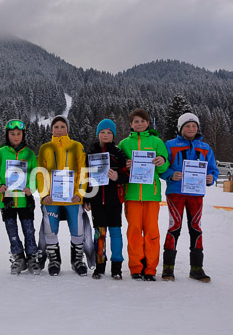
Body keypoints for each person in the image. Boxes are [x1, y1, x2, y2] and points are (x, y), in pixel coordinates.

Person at [159, 113, 218, 282]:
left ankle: (197, 268)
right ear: (180, 128)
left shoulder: (205, 148)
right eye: (187, 126)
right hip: (176, 192)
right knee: (174, 227)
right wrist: (171, 174)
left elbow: (212, 169)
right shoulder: (170, 145)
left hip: (195, 193)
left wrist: (211, 178)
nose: (191, 129)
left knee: (196, 228)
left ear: (198, 128)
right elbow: (161, 167)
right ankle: (168, 268)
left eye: (194, 126)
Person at [118, 108, 169, 281]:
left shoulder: (156, 142)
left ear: (148, 123)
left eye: (142, 121)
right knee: (133, 232)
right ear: (131, 124)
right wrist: (126, 166)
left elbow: (163, 169)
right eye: (135, 121)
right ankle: (136, 267)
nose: (139, 124)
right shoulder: (124, 144)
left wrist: (162, 161)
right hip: (132, 195)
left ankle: (150, 269)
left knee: (151, 233)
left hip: (151, 195)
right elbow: (119, 168)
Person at [37, 115, 88, 276]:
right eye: (56, 127)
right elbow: (40, 174)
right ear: (51, 129)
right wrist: (44, 194)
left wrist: (80, 193)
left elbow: (82, 171)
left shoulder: (77, 146)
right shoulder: (45, 148)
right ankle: (54, 260)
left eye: (62, 126)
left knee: (77, 229)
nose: (59, 130)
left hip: (72, 198)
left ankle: (77, 260)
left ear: (67, 129)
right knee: (50, 230)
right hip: (52, 199)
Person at [0, 119, 39, 275]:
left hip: (24, 199)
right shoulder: (1, 153)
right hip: (7, 199)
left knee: (29, 230)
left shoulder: (29, 153)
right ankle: (18, 258)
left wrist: (31, 186)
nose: (16, 136)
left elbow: (34, 172)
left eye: (18, 133)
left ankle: (32, 257)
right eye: (12, 134)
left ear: (23, 135)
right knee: (12, 230)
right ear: (7, 135)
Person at [84, 119, 128, 279]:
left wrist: (118, 176)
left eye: (109, 132)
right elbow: (85, 177)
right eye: (102, 132)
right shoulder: (91, 152)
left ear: (113, 135)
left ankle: (117, 267)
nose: (105, 135)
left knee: (116, 233)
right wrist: (86, 198)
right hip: (96, 201)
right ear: (98, 134)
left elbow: (127, 175)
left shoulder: (118, 153)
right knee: (99, 234)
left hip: (114, 200)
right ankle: (100, 265)